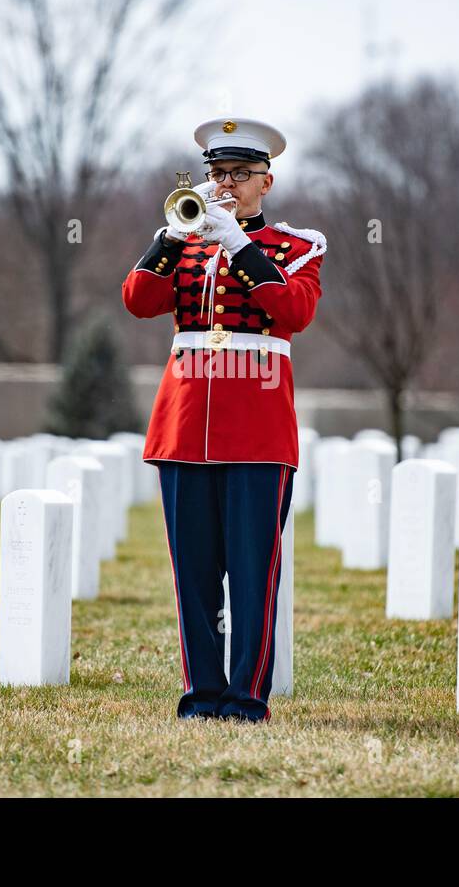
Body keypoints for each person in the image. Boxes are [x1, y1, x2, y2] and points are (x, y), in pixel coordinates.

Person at [121, 117, 327, 722]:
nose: (227, 185)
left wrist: (239, 244)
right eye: (217, 174)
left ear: (267, 180)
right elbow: (138, 300)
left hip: (258, 428)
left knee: (251, 572)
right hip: (183, 426)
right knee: (193, 574)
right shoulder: (184, 238)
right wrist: (168, 236)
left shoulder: (296, 246)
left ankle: (245, 699)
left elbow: (293, 310)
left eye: (239, 175)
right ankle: (202, 695)